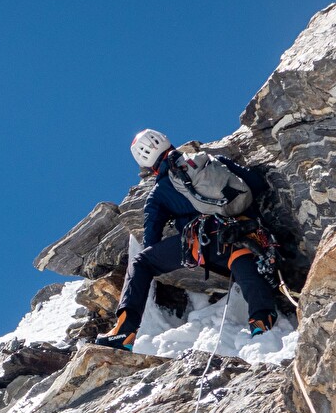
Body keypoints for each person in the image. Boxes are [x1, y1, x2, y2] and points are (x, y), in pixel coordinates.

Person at [95, 128, 278, 351]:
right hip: (243, 233)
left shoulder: (158, 194)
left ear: (145, 163)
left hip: (202, 244)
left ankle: (124, 332)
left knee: (142, 262)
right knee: (240, 257)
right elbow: (256, 184)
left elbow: (151, 240)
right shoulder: (211, 160)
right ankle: (262, 324)